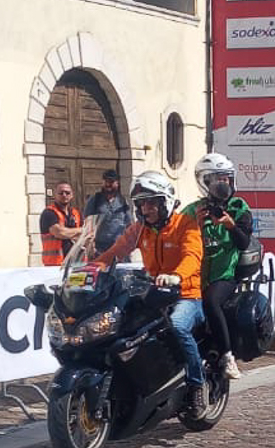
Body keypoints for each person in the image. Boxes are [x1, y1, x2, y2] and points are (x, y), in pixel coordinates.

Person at [94, 171, 209, 412]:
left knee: (177, 325)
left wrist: (176, 275)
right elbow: (116, 250)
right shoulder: (140, 230)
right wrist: (91, 268)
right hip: (154, 294)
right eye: (142, 203)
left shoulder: (185, 225)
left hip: (185, 294)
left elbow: (192, 256)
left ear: (165, 202)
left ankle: (198, 385)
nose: (147, 209)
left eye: (152, 202)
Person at [181, 153, 253, 381]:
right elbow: (176, 238)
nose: (224, 185)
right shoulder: (192, 211)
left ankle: (227, 355)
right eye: (217, 180)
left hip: (225, 274)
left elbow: (243, 243)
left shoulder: (239, 207)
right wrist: (196, 226)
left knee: (211, 301)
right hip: (194, 275)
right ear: (205, 182)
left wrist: (231, 225)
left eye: (227, 179)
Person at [83, 169, 133, 257]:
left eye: (111, 181)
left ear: (117, 183)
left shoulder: (122, 201)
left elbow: (129, 224)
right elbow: (88, 222)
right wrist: (90, 246)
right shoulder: (95, 199)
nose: (108, 184)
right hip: (99, 249)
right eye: (106, 181)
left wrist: (129, 245)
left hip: (119, 249)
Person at [39, 182, 83, 266]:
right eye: (61, 193)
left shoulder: (76, 213)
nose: (64, 195)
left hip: (76, 262)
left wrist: (71, 232)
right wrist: (80, 230)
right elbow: (59, 233)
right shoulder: (49, 213)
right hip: (55, 264)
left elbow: (86, 236)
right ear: (55, 195)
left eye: (67, 193)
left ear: (72, 195)